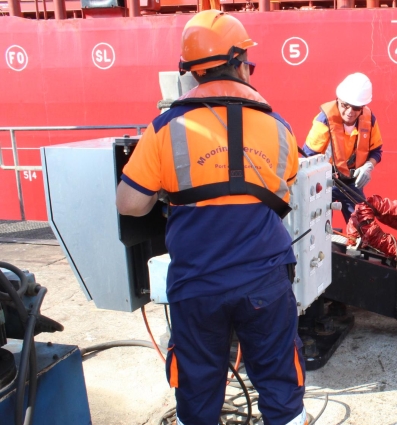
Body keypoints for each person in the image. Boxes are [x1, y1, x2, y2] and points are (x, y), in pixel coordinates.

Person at [114, 10, 307, 425]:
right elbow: (285, 184)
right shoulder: (280, 128)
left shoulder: (165, 129)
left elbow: (129, 204)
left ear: (192, 73)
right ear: (239, 63)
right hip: (264, 282)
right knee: (278, 382)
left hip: (197, 285)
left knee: (198, 390)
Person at [303, 73, 383, 223]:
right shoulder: (324, 120)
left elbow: (376, 151)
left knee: (364, 228)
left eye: (356, 108)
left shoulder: (369, 119)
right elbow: (308, 157)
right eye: (345, 105)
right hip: (325, 182)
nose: (349, 112)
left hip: (352, 183)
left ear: (363, 107)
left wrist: (368, 166)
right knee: (320, 228)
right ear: (338, 100)